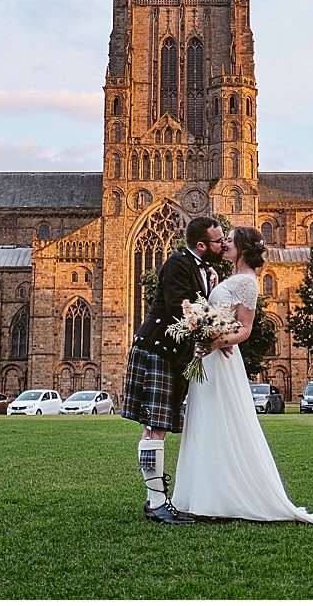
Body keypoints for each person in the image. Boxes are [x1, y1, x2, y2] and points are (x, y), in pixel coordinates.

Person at [171, 226, 313, 527]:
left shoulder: (247, 283)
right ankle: (206, 497)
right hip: (210, 360)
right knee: (206, 420)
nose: (225, 244)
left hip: (219, 358)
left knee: (222, 421)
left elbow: (245, 329)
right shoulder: (230, 278)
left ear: (243, 248)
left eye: (230, 241)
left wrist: (214, 341)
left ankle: (225, 497)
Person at [121, 215, 225, 524]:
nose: (222, 245)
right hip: (158, 350)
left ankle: (156, 500)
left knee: (157, 426)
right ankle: (156, 503)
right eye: (219, 241)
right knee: (156, 426)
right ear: (202, 245)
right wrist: (222, 331)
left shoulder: (203, 269)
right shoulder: (179, 265)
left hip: (172, 355)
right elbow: (185, 308)